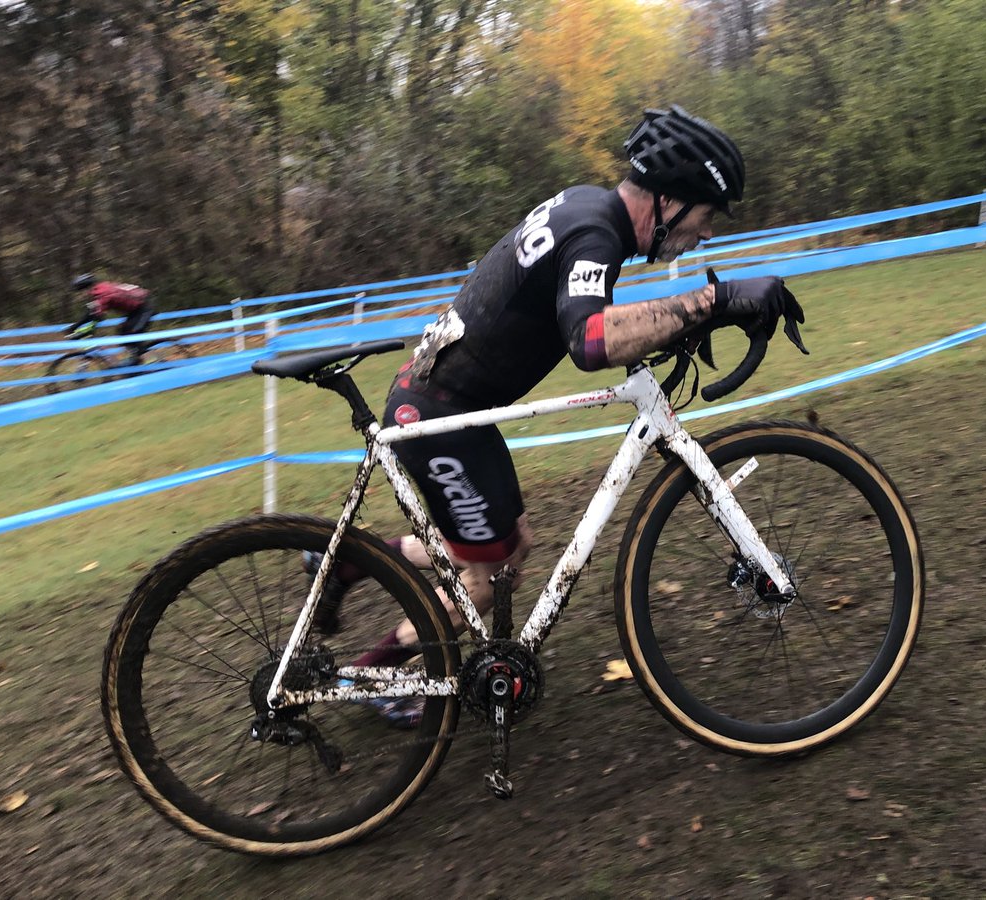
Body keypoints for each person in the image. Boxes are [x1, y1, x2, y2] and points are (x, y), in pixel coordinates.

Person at [310, 105, 808, 725]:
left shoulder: (586, 207)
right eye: (705, 217)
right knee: (488, 576)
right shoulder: (597, 232)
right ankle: (378, 674)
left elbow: (585, 309)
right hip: (439, 413)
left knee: (508, 549)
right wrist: (715, 300)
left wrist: (686, 315)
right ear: (669, 200)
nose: (703, 235)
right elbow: (591, 340)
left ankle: (354, 561)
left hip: (453, 407)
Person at [68, 273, 156, 366]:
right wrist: (76, 326)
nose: (81, 295)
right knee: (123, 334)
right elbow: (92, 313)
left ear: (85, 289)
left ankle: (153, 363)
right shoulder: (98, 289)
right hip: (135, 310)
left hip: (143, 308)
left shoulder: (101, 293)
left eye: (80, 292)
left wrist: (78, 328)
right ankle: (136, 361)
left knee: (133, 334)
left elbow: (96, 315)